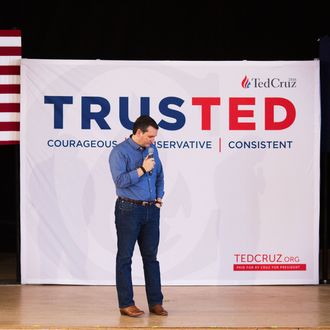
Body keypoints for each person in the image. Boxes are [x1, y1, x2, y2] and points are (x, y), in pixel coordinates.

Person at [109, 115, 168, 317]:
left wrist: (160, 195)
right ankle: (126, 303)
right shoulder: (119, 152)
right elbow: (120, 181)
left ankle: (156, 302)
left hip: (151, 210)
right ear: (139, 132)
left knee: (151, 257)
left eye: (155, 137)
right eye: (150, 136)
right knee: (125, 257)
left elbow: (160, 174)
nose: (153, 140)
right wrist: (142, 169)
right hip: (128, 210)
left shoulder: (152, 150)